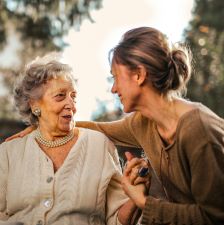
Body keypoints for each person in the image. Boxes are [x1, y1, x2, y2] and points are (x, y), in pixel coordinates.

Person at [7, 27, 224, 225]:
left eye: (116, 77)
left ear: (139, 75)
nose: (113, 88)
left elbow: (215, 217)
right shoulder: (143, 123)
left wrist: (142, 201)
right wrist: (42, 126)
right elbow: (100, 128)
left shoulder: (199, 130)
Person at [0, 54, 149, 225]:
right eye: (60, 96)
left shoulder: (99, 145)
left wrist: (135, 197)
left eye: (73, 96)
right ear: (34, 105)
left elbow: (116, 220)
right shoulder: (8, 153)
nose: (71, 104)